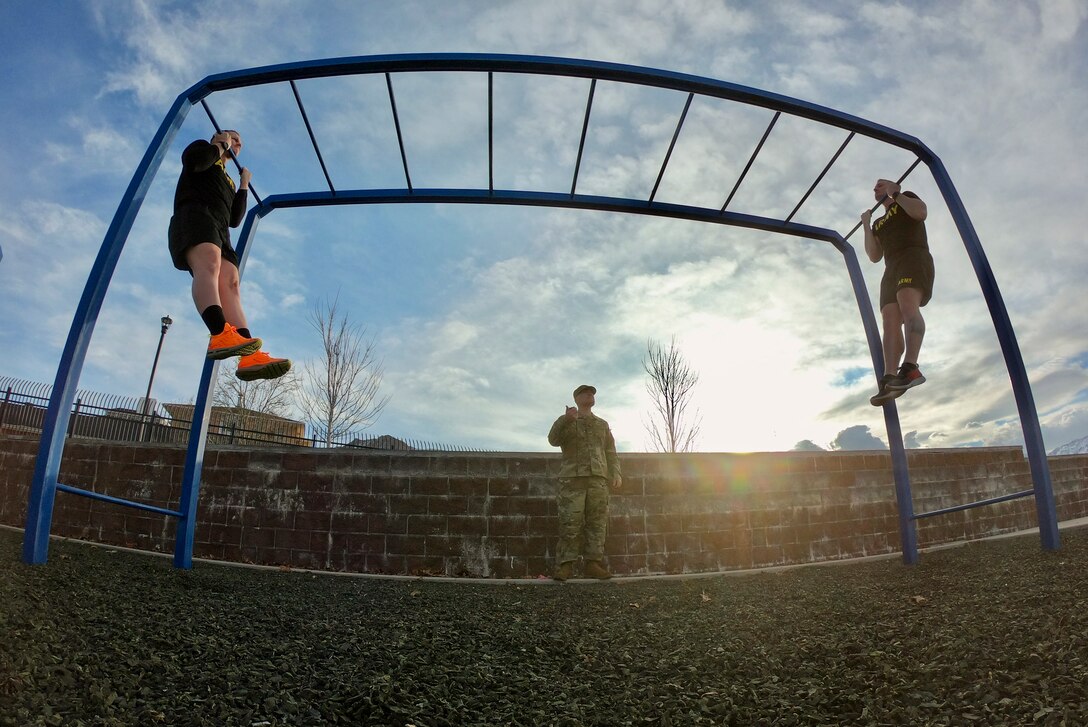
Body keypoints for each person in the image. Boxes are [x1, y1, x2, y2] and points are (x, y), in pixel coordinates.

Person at [168, 129, 290, 381]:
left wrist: (243, 184)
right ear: (218, 136)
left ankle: (249, 355)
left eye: (239, 144)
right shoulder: (203, 149)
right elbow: (195, 163)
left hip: (221, 230)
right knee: (209, 264)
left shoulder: (229, 179)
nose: (236, 145)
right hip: (195, 215)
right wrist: (220, 146)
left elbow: (235, 219)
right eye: (233, 139)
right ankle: (218, 333)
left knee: (232, 283)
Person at [861, 178, 934, 406]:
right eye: (874, 187)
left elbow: (921, 213)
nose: (875, 188)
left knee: (907, 305)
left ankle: (910, 368)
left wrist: (896, 194)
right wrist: (866, 224)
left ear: (892, 186)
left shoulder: (905, 199)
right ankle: (890, 377)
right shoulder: (879, 222)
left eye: (880, 185)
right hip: (890, 267)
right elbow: (874, 256)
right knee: (889, 321)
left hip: (912, 256)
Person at [547, 384, 622, 581]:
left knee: (597, 524)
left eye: (592, 393)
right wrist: (565, 420)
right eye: (585, 392)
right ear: (576, 398)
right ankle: (565, 565)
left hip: (598, 479)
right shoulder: (567, 421)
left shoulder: (602, 424)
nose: (590, 394)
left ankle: (593, 564)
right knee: (570, 522)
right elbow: (553, 440)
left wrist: (616, 472)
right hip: (572, 480)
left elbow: (610, 451)